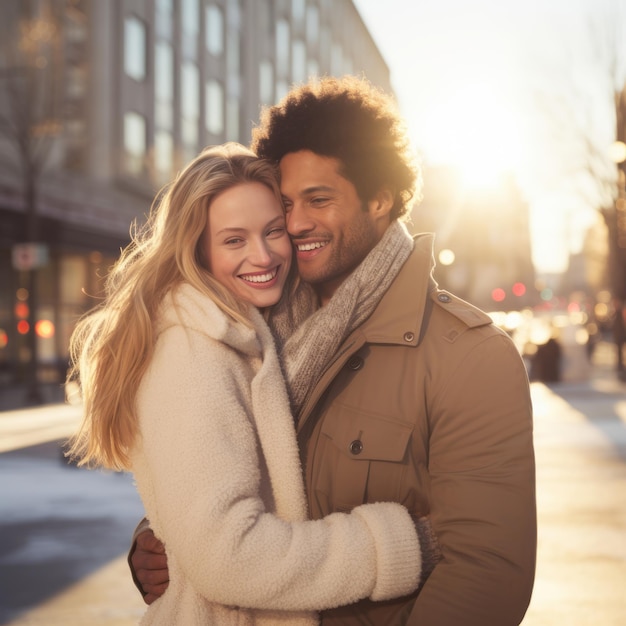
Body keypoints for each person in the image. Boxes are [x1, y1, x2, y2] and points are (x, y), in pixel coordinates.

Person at [131, 77, 537, 625]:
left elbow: (487, 578)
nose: (296, 225)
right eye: (287, 205)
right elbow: (218, 483)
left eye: (319, 200)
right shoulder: (247, 326)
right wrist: (165, 542)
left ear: (381, 198)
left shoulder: (470, 357)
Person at [67, 143, 435, 625]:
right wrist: (394, 546)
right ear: (198, 249)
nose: (262, 256)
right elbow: (229, 556)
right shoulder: (193, 350)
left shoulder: (243, 332)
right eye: (234, 240)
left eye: (272, 232)